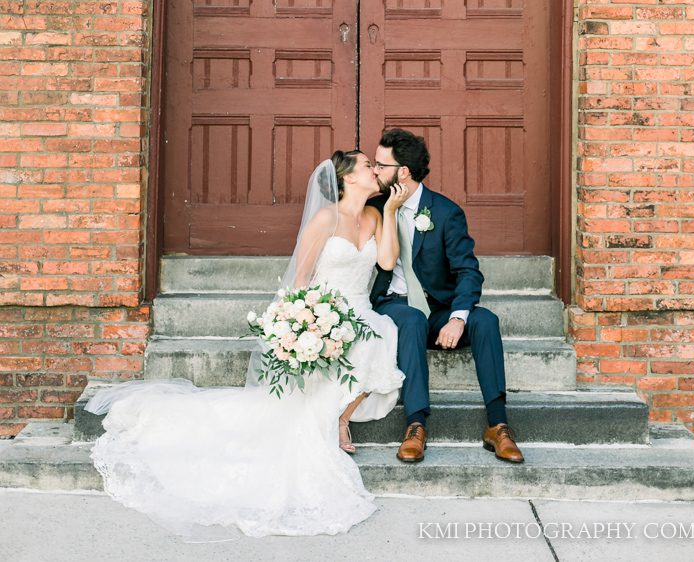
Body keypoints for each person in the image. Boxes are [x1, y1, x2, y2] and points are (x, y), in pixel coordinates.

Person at [85, 151, 407, 541]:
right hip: (326, 311)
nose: (376, 170)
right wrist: (303, 322)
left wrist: (391, 209)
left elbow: (387, 263)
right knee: (360, 343)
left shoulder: (374, 216)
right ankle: (334, 418)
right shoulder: (326, 219)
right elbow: (301, 277)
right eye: (368, 166)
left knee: (382, 332)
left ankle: (339, 417)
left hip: (361, 311)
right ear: (348, 178)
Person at [370, 128, 525, 465]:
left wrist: (457, 318)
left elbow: (468, 271)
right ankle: (416, 424)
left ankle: (498, 425)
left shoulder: (444, 212)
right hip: (394, 306)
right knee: (411, 318)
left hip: (436, 310)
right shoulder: (375, 207)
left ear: (404, 172)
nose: (374, 171)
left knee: (484, 321)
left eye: (381, 165)